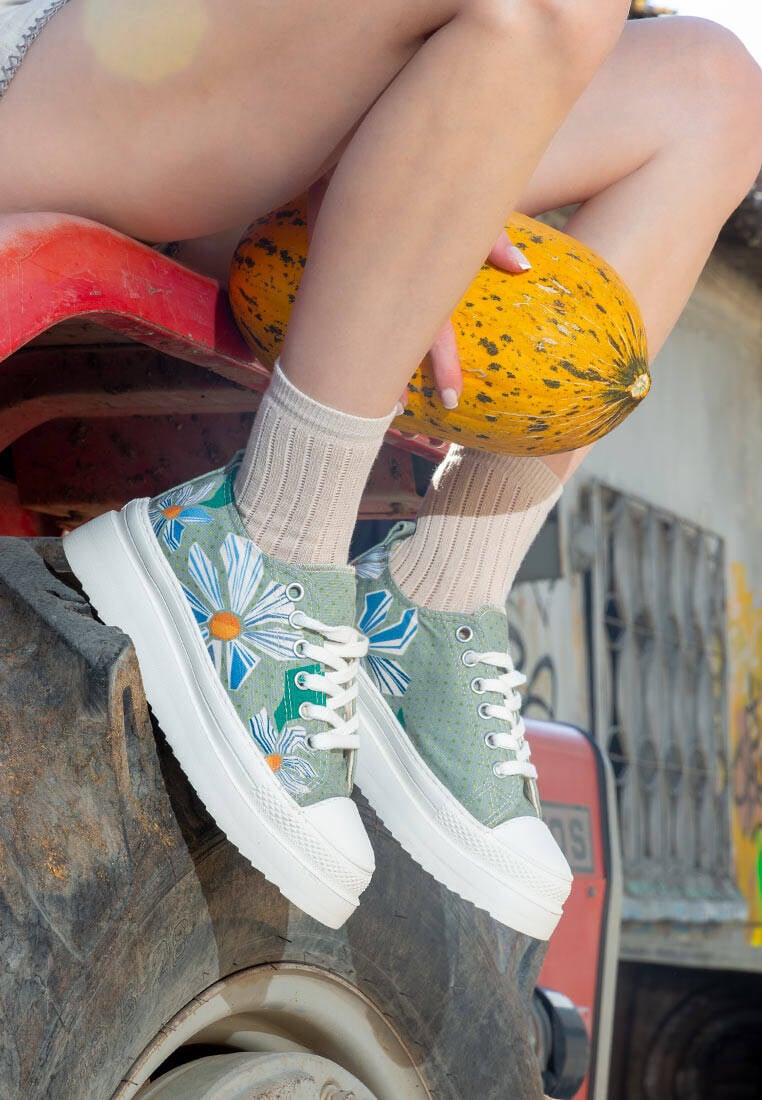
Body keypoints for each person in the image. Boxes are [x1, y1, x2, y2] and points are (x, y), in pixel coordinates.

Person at [2, 0, 761, 935]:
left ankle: (437, 593)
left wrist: (426, 176)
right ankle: (265, 534)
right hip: (80, 72)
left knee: (714, 91)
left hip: (278, 110)